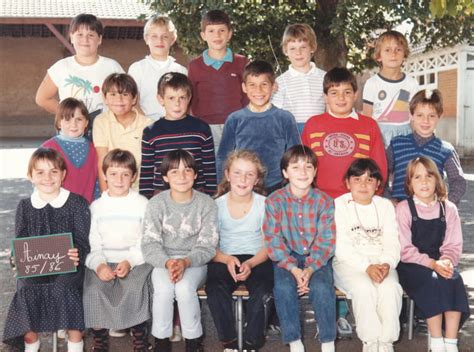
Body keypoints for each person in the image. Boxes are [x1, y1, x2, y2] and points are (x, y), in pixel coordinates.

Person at [2, 148, 90, 352]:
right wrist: (16, 259)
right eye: (40, 172)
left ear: (63, 174)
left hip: (69, 267)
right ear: (30, 177)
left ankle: (75, 345)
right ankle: (31, 344)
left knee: (65, 289)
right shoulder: (25, 206)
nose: (47, 177)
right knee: (25, 289)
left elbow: (82, 242)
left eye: (53, 171)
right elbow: (21, 240)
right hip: (36, 268)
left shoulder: (76, 203)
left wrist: (76, 252)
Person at [141, 149, 219, 352]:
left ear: (195, 174)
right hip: (163, 261)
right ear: (165, 177)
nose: (182, 176)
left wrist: (185, 262)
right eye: (174, 172)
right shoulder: (156, 204)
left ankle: (193, 343)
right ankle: (161, 343)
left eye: (187, 170)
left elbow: (208, 245)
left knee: (184, 289)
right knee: (164, 290)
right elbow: (150, 244)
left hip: (194, 262)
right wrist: (168, 263)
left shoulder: (206, 204)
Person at [263, 145, 336, 352]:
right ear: (285, 173)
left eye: (308, 167)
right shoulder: (274, 200)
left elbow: (326, 240)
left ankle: (327, 341)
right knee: (284, 288)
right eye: (295, 167)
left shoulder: (324, 201)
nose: (303, 172)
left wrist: (310, 269)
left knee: (322, 288)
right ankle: (295, 342)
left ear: (315, 171)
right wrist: (294, 270)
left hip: (317, 257)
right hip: (286, 257)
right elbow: (273, 240)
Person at [396, 156, 469, 352]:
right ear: (409, 183)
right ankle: (436, 341)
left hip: (441, 261)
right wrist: (431, 264)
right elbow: (404, 249)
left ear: (437, 179)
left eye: (429, 176)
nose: (424, 182)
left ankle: (451, 342)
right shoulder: (404, 208)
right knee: (432, 280)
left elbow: (453, 244)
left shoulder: (448, 208)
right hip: (411, 264)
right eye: (417, 177)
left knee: (452, 278)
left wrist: (446, 261)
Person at [83, 149, 152, 352]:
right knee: (94, 289)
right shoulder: (96, 207)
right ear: (104, 175)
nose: (119, 179)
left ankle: (139, 338)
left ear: (134, 177)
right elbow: (92, 243)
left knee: (133, 287)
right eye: (113, 174)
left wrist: (130, 261)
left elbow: (146, 241)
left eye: (125, 174)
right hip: (104, 259)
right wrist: (98, 264)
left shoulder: (142, 204)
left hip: (135, 260)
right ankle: (100, 340)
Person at [333, 158, 402, 352]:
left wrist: (387, 263)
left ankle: (386, 343)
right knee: (364, 289)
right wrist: (366, 267)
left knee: (391, 289)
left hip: (382, 263)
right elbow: (341, 246)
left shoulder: (386, 206)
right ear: (347, 183)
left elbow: (392, 241)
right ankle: (371, 343)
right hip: (350, 264)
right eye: (357, 179)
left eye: (370, 179)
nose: (364, 185)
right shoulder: (339, 205)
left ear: (378, 184)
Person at [206, 150, 273, 352]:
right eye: (237, 173)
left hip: (258, 257)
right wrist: (226, 259)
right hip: (224, 256)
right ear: (227, 175)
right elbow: (208, 245)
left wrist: (251, 263)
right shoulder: (214, 205)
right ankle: (229, 341)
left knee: (264, 289)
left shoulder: (265, 205)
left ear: (257, 179)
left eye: (249, 174)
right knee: (215, 288)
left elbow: (270, 245)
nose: (243, 179)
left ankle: (253, 341)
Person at [217, 60, 300, 193]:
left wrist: (292, 185)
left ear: (273, 87)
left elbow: (294, 156)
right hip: (244, 187)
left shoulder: (285, 118)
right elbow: (223, 156)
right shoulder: (235, 119)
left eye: (264, 84)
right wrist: (224, 186)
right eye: (252, 85)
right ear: (244, 87)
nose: (258, 90)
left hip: (277, 186)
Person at [139, 72, 216, 199]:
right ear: (160, 99)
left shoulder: (202, 128)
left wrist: (211, 197)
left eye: (182, 97)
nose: (177, 103)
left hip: (196, 197)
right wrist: (146, 199)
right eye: (171, 98)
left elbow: (209, 168)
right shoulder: (151, 132)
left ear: (189, 97)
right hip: (162, 198)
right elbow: (146, 172)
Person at [35, 13, 124, 121]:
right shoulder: (61, 67)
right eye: (79, 35)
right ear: (71, 37)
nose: (85, 40)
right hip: (71, 132)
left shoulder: (112, 66)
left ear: (99, 39)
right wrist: (69, 115)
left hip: (104, 130)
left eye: (91, 35)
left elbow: (126, 97)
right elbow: (42, 99)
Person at [387, 89, 466, 205]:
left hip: (431, 215)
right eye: (420, 115)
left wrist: (445, 205)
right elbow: (380, 175)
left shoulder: (446, 150)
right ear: (411, 115)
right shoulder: (396, 145)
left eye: (432, 116)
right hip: (399, 212)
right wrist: (388, 199)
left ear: (440, 116)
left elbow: (458, 181)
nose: (426, 120)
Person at [188, 9, 248, 149]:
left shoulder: (242, 62)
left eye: (222, 30)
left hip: (236, 125)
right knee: (211, 167)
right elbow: (192, 97)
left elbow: (247, 94)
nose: (217, 35)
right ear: (203, 35)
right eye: (211, 31)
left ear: (229, 34)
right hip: (206, 127)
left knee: (235, 166)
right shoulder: (194, 66)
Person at [93, 73, 153, 192]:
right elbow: (102, 162)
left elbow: (151, 165)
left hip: (141, 190)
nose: (119, 100)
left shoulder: (148, 125)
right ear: (105, 98)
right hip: (113, 189)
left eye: (125, 94)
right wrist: (106, 196)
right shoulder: (101, 121)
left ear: (134, 98)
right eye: (113, 94)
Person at [362, 30, 419, 147]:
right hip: (379, 138)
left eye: (398, 50)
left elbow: (415, 116)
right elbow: (366, 119)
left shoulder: (411, 83)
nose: (393, 54)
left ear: (405, 55)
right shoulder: (372, 83)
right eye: (387, 50)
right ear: (378, 56)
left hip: (405, 138)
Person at [129, 15, 188, 120]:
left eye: (165, 36)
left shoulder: (181, 71)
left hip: (174, 125)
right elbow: (132, 102)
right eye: (154, 36)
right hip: (146, 126)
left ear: (173, 39)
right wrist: (149, 125)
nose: (159, 41)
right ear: (146, 39)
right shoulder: (137, 69)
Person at [271, 23, 326, 134]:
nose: (298, 53)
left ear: (312, 47)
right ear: (285, 51)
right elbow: (275, 115)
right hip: (292, 135)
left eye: (303, 47)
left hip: (319, 133)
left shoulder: (325, 77)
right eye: (292, 48)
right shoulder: (280, 82)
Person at [42, 97, 97, 204]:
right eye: (67, 119)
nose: (74, 125)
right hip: (56, 212)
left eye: (79, 119)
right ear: (58, 123)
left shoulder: (94, 150)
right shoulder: (48, 149)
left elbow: (97, 184)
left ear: (86, 123)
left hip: (86, 212)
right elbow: (40, 183)